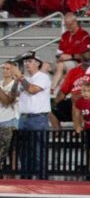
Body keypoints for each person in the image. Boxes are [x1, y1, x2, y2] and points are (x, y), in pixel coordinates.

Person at [15, 52, 52, 180]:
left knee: (38, 151)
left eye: (30, 61)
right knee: (24, 152)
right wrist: (17, 79)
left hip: (38, 118)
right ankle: (26, 178)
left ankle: (41, 179)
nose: (26, 64)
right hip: (24, 117)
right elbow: (15, 94)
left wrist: (20, 77)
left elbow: (32, 90)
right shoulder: (25, 78)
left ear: (38, 63)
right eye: (25, 62)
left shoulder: (42, 77)